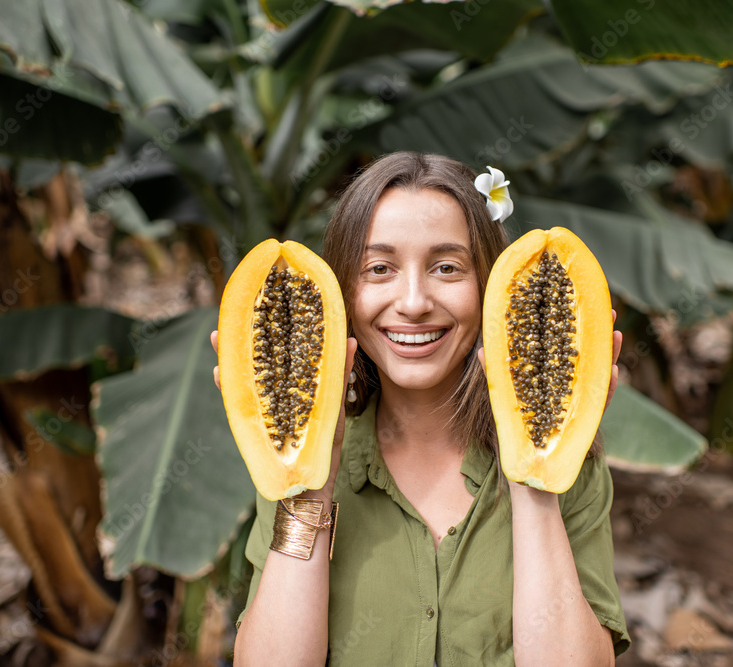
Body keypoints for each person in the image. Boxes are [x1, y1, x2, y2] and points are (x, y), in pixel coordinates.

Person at [210, 151, 629, 665]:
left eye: (447, 267)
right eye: (379, 268)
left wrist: (536, 468)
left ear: (492, 287)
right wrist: (309, 485)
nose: (413, 302)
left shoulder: (573, 466)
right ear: (342, 290)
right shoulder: (297, 469)